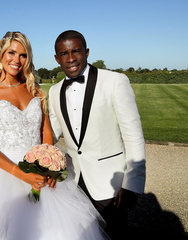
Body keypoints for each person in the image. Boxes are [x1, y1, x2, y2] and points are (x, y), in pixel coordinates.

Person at [0, 31, 109, 240]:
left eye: (23, 55)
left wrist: (49, 167)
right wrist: (21, 174)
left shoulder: (35, 90)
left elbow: (46, 131)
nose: (17, 60)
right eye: (11, 53)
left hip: (40, 171)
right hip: (2, 174)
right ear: (1, 54)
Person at [48, 30, 146, 239]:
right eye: (64, 54)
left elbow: (134, 136)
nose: (71, 58)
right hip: (73, 184)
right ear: (57, 59)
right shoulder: (54, 91)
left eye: (76, 51)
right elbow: (53, 132)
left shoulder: (115, 81)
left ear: (87, 52)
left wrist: (132, 185)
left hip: (110, 187)